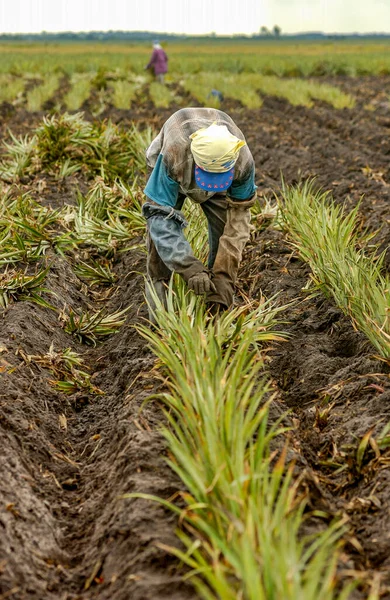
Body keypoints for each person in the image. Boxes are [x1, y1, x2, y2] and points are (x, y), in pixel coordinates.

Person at [142, 107, 257, 321]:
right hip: (178, 171)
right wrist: (189, 267)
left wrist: (224, 274)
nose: (208, 188)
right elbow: (159, 217)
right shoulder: (174, 156)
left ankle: (217, 310)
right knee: (158, 252)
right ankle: (160, 321)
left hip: (217, 172)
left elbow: (238, 221)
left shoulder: (242, 162)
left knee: (224, 232)